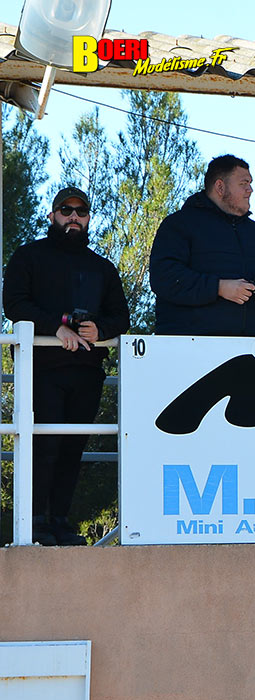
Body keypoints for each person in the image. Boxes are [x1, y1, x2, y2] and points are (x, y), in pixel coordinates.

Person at [3, 187, 131, 545]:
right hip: (42, 370)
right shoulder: (28, 256)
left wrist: (99, 329)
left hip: (87, 371)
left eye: (81, 211)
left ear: (89, 218)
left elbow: (121, 316)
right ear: (52, 215)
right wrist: (56, 326)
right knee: (44, 447)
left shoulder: (102, 268)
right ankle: (33, 524)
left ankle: (59, 521)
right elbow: (14, 304)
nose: (73, 217)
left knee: (73, 449)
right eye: (65, 210)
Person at [150, 154, 255, 336]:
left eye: (250, 183)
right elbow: (164, 278)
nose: (250, 190)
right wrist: (219, 288)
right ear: (220, 187)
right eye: (243, 183)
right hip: (190, 348)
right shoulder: (179, 225)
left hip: (251, 351)